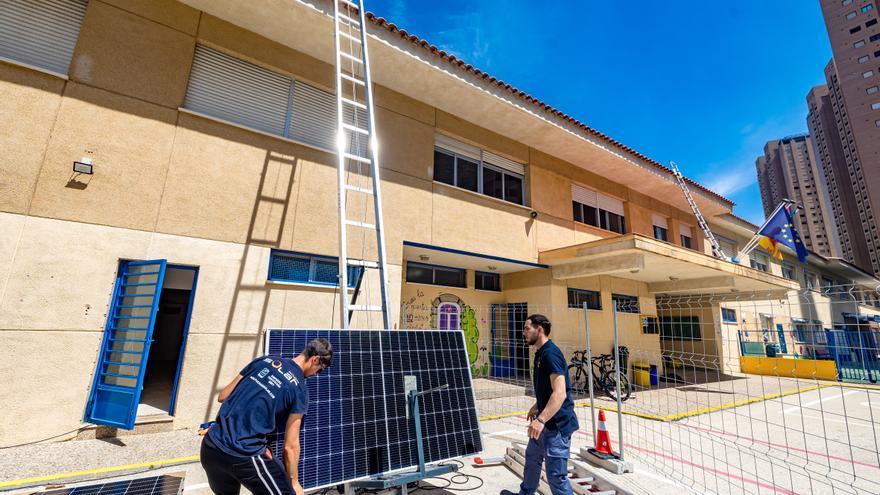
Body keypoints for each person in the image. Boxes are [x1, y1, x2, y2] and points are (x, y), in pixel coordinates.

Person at [200, 338, 333, 495]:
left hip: (211, 447)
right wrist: (295, 483)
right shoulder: (299, 390)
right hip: (244, 454)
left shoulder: (265, 360)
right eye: (320, 370)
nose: (316, 375)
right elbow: (290, 446)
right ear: (315, 359)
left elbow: (223, 396)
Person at [501, 315, 578, 495]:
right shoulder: (540, 354)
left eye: (527, 328)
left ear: (540, 329)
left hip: (556, 425)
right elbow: (549, 388)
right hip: (543, 422)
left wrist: (541, 419)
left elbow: (560, 393)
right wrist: (538, 405)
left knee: (556, 476)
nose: (523, 332)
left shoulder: (551, 354)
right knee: (532, 461)